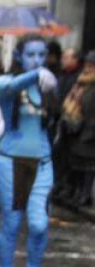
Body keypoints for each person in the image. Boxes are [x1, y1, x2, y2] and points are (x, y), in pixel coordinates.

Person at [0, 34, 58, 267]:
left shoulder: (48, 87)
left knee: (40, 225)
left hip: (43, 163)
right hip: (11, 163)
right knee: (12, 224)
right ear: (20, 56)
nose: (37, 60)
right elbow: (8, 87)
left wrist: (46, 81)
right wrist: (37, 74)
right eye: (31, 54)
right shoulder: (8, 82)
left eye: (42, 55)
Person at [61, 51, 95, 208]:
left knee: (88, 165)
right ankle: (77, 191)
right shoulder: (81, 81)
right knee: (77, 162)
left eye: (92, 65)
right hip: (77, 126)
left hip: (90, 129)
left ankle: (85, 194)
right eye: (87, 64)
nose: (88, 67)